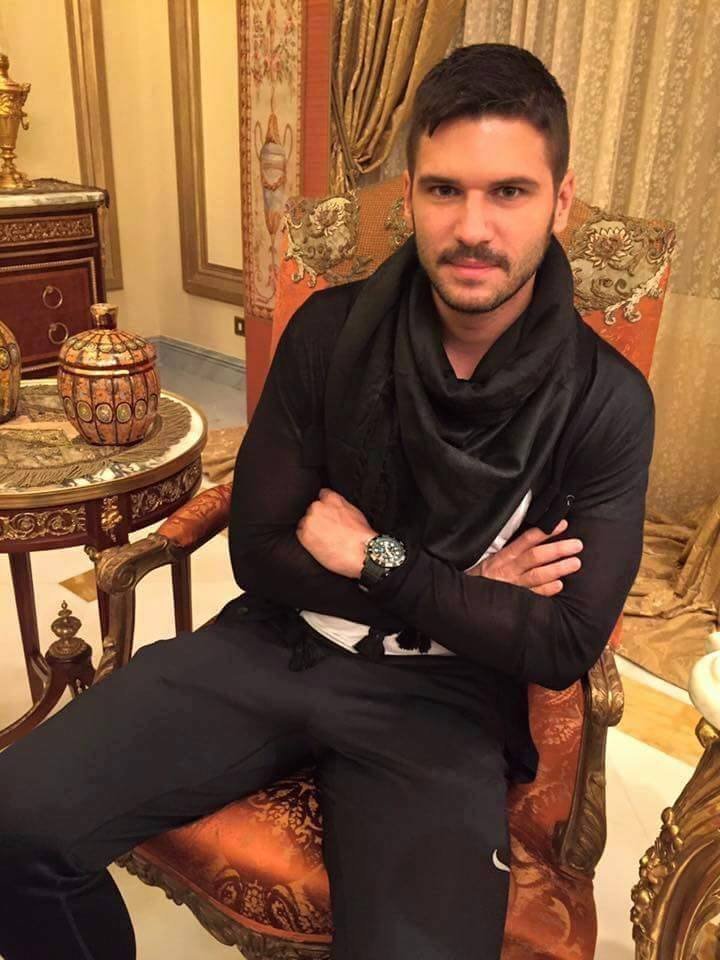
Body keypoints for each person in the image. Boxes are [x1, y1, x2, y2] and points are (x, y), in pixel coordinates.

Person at [0, 43, 654, 960]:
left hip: (444, 695)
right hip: (280, 642)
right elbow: (261, 552)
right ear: (410, 196)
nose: (473, 227)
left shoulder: (606, 402)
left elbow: (562, 641)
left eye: (509, 191)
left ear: (561, 200)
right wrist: (469, 590)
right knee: (15, 826)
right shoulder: (331, 333)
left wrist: (376, 556)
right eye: (444, 190)